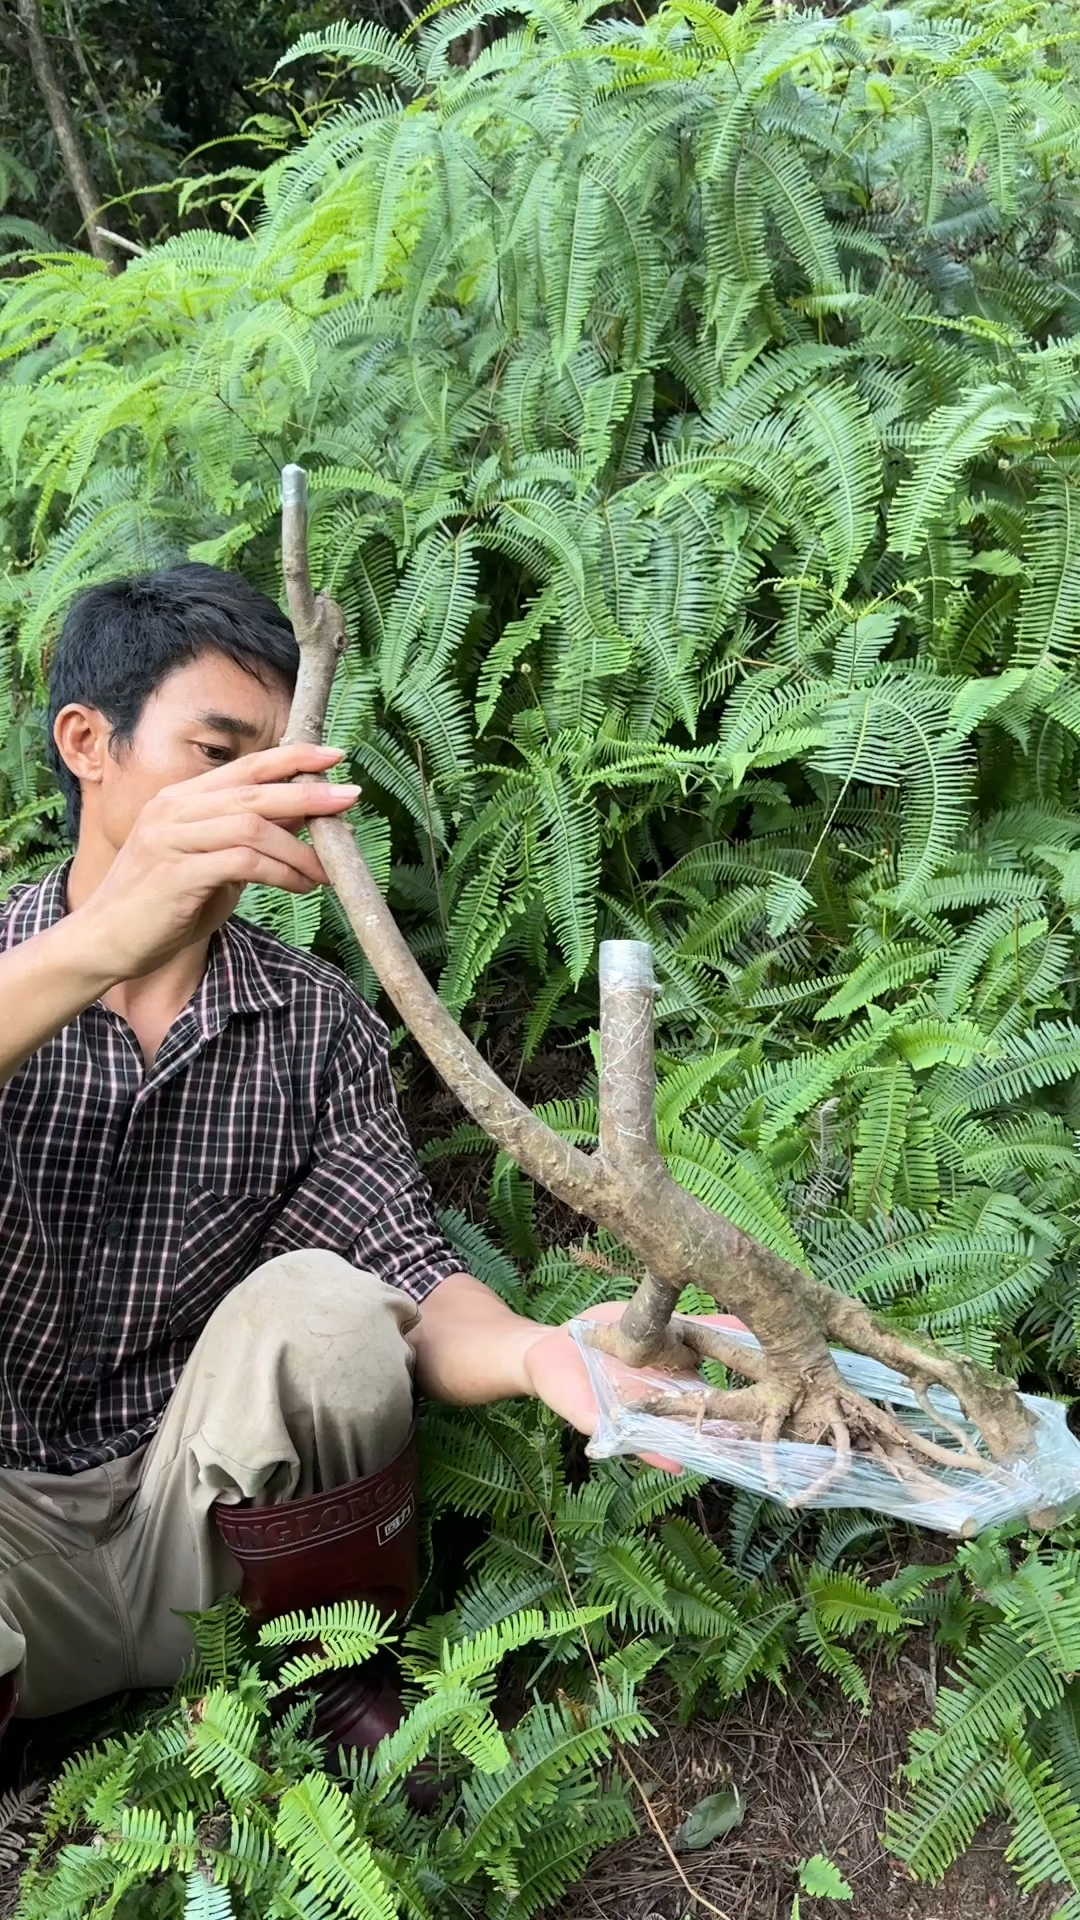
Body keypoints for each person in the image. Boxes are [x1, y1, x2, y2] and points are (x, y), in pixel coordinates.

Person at [0, 563, 733, 1750]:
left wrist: (550, 1355)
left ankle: (318, 1691)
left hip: (208, 1542)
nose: (259, 796)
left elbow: (400, 1267)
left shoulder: (312, 1019)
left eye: (281, 762)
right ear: (89, 741)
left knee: (336, 1312)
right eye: (216, 752)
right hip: (12, 1557)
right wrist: (97, 946)